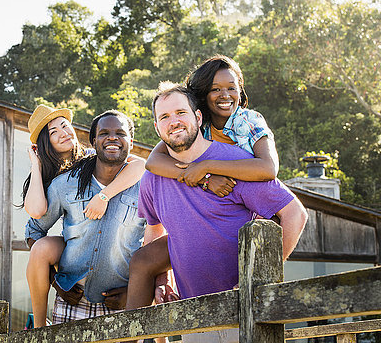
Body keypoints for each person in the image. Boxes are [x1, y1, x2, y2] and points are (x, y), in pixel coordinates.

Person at [126, 85, 308, 343]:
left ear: (198, 118)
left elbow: (295, 214)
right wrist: (161, 279)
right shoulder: (153, 178)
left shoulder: (234, 163)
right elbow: (155, 228)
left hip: (244, 314)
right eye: (164, 117)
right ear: (157, 128)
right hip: (195, 320)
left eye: (180, 112)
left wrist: (261, 279)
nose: (174, 121)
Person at [23, 105, 145, 327]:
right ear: (43, 143)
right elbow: (36, 216)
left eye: (64, 125)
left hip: (105, 267)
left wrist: (103, 196)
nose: (63, 133)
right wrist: (58, 281)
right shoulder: (51, 177)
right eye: (53, 132)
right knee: (40, 249)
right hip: (71, 249)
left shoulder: (94, 156)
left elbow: (140, 165)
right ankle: (39, 329)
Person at [145, 55, 278, 196]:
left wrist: (206, 166)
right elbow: (153, 161)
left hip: (257, 197)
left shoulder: (249, 120)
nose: (225, 95)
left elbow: (269, 169)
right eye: (216, 89)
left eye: (232, 88)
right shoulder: (198, 123)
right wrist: (204, 178)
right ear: (203, 94)